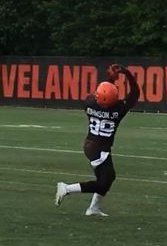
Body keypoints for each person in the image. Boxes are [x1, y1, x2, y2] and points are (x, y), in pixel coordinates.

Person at [55, 63, 139, 216]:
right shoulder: (118, 109)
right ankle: (66, 188)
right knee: (102, 183)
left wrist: (110, 79)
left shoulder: (89, 104)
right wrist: (126, 74)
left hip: (91, 145)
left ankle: (93, 208)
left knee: (109, 177)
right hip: (99, 149)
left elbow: (102, 93)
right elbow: (135, 93)